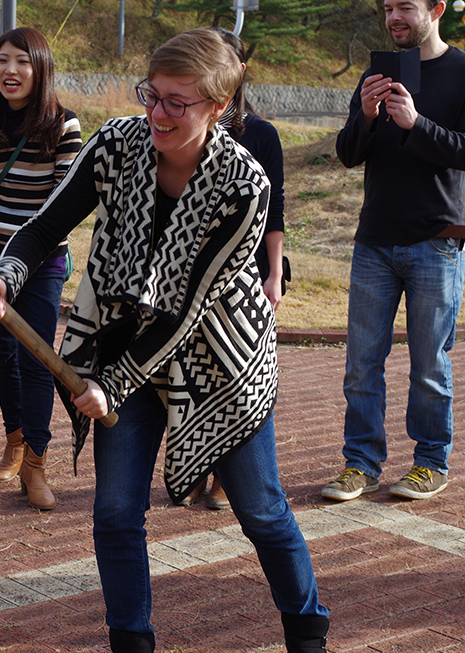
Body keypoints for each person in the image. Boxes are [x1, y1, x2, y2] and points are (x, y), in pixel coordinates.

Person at [0, 29, 329, 653]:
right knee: (114, 512)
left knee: (262, 512)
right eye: (151, 96)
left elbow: (185, 310)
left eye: (177, 103)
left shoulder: (244, 187)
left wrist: (111, 385)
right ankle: (131, 642)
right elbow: (43, 227)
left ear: (217, 107)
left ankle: (308, 631)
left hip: (221, 362)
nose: (157, 114)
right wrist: (6, 277)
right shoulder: (115, 145)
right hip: (124, 345)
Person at [322, 0, 465, 502]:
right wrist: (365, 116)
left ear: (436, 9)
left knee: (429, 364)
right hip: (374, 243)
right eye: (387, 9)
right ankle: (360, 464)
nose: (394, 18)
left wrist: (415, 124)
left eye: (405, 6)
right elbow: (346, 153)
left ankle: (430, 463)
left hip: (437, 242)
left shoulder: (461, 70)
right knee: (362, 363)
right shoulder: (375, 73)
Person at [0, 27, 81, 509]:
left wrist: (15, 261)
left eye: (22, 62)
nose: (10, 71)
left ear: (41, 68)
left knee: (37, 358)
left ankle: (36, 462)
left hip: (43, 261)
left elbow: (63, 205)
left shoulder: (62, 126)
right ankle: (13, 442)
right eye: (2, 60)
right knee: (3, 354)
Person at [178, 26, 288, 512]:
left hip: (242, 280)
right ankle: (195, 463)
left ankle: (227, 473)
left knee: (237, 375)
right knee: (188, 371)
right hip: (186, 276)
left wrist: (274, 273)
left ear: (238, 71)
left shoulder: (261, 134)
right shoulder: (185, 125)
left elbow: (275, 212)